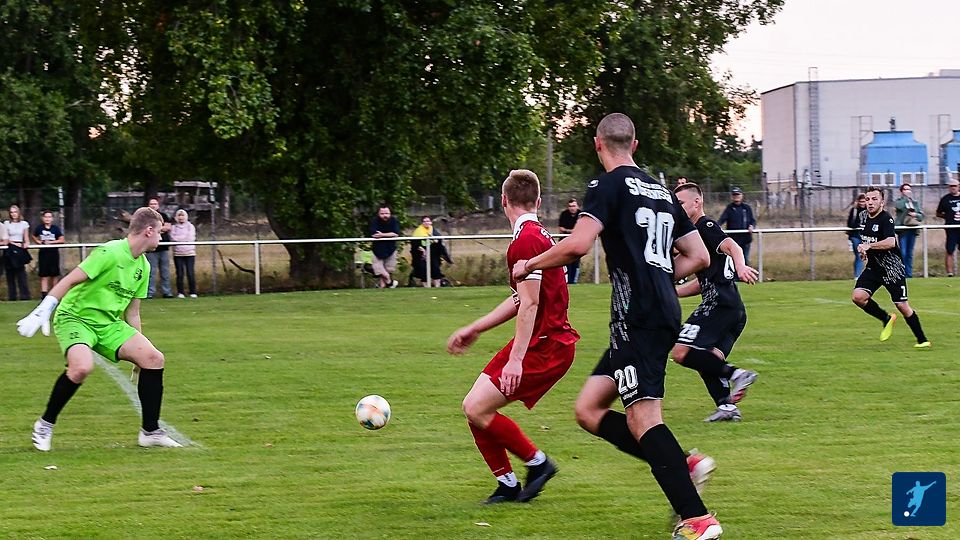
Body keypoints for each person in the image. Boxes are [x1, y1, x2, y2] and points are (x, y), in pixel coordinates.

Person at [512, 113, 722, 539]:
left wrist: (529, 263)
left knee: (643, 417)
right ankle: (684, 465)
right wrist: (659, 277)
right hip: (660, 311)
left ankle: (698, 519)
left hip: (636, 316)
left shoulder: (607, 185)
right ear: (635, 144)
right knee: (589, 410)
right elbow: (699, 256)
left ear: (598, 144)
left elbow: (577, 245)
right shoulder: (661, 191)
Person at [448, 169, 579, 504]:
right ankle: (507, 484)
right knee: (473, 406)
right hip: (541, 340)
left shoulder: (526, 240)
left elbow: (531, 303)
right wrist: (476, 327)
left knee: (477, 408)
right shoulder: (535, 235)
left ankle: (538, 464)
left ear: (503, 200)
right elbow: (522, 299)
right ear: (538, 201)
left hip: (547, 345)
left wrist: (516, 360)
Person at [17, 207, 183, 451]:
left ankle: (150, 432)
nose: (161, 237)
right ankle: (45, 424)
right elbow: (69, 280)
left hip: (108, 324)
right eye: (160, 232)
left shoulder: (144, 267)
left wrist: (140, 354)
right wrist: (44, 309)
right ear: (149, 231)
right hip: (76, 318)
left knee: (154, 358)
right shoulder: (110, 252)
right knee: (81, 368)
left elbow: (133, 312)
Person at [672, 183, 759, 423]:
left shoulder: (704, 226)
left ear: (697, 202)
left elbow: (732, 246)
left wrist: (741, 266)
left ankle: (738, 374)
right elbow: (703, 283)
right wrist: (673, 293)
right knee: (708, 360)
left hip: (718, 304)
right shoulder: (693, 235)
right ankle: (727, 407)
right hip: (733, 308)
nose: (677, 209)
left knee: (681, 351)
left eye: (680, 204)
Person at [852, 186, 930, 348]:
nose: (870, 202)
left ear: (882, 202)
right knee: (858, 297)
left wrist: (869, 246)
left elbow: (890, 242)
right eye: (868, 199)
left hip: (892, 269)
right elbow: (867, 239)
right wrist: (863, 250)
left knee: (902, 306)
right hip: (874, 268)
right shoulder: (863, 216)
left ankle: (922, 340)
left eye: (874, 199)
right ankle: (886, 318)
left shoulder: (886, 219)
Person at [410, 216, 453, 287]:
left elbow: (439, 242)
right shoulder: (418, 232)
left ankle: (437, 286)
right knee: (423, 271)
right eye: (424, 221)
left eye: (428, 221)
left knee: (436, 270)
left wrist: (434, 239)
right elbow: (414, 244)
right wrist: (422, 250)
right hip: (421, 255)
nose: (426, 223)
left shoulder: (434, 231)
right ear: (422, 223)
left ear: (431, 222)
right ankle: (426, 287)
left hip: (433, 254)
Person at [717, 187, 756, 265]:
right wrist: (716, 227)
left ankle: (745, 272)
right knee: (734, 260)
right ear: (732, 197)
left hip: (745, 239)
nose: (736, 197)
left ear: (741, 195)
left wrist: (752, 226)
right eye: (734, 195)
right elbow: (722, 219)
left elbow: (752, 220)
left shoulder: (746, 208)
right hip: (734, 239)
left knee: (745, 259)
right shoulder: (729, 208)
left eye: (738, 194)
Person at [32, 210, 65, 298]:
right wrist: (38, 242)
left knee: (54, 275)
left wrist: (51, 242)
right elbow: (34, 236)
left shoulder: (55, 228)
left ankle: (54, 294)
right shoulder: (39, 228)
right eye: (46, 217)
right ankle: (44, 295)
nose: (47, 219)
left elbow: (62, 240)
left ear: (52, 218)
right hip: (43, 253)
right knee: (44, 275)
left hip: (53, 253)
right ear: (42, 218)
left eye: (49, 217)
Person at [894, 183, 923, 278]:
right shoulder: (899, 201)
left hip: (912, 230)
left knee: (910, 253)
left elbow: (921, 216)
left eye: (909, 189)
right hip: (903, 230)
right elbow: (899, 207)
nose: (908, 191)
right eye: (905, 189)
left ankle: (909, 274)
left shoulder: (915, 202)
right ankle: (901, 273)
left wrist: (916, 215)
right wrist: (906, 199)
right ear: (901, 191)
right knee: (903, 252)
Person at [145, 197, 173, 298]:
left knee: (165, 272)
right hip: (151, 249)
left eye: (155, 204)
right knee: (151, 272)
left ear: (158, 205)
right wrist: (161, 229)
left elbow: (168, 227)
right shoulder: (146, 218)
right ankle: (150, 293)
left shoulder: (164, 215)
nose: (153, 206)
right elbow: (146, 229)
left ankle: (167, 292)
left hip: (163, 248)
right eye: (151, 204)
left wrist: (155, 230)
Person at [4, 204, 32, 301]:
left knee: (21, 273)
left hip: (20, 250)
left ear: (18, 213)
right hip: (10, 248)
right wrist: (14, 243)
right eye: (11, 212)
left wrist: (26, 244)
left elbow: (26, 237)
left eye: (15, 212)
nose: (13, 214)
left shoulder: (24, 224)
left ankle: (25, 296)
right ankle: (12, 296)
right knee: (10, 274)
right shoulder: (6, 223)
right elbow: (6, 238)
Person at [369, 205, 400, 288]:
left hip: (390, 249)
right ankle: (390, 282)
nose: (384, 215)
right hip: (377, 249)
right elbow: (374, 234)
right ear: (378, 214)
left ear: (390, 213)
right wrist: (388, 234)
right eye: (382, 213)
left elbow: (395, 233)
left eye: (386, 213)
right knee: (379, 269)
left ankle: (383, 287)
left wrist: (382, 235)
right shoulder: (375, 221)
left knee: (388, 269)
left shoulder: (394, 220)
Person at [169, 209, 198, 298]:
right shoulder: (174, 227)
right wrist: (182, 239)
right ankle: (180, 292)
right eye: (179, 215)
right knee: (180, 273)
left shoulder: (190, 227)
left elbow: (190, 238)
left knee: (190, 273)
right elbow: (173, 238)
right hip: (178, 254)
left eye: (182, 215)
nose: (181, 217)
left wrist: (181, 239)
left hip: (190, 253)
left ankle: (193, 292)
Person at [935, 179, 960, 277]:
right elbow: (938, 213)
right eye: (951, 186)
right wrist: (948, 217)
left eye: (955, 186)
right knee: (950, 250)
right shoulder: (945, 199)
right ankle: (950, 273)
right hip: (951, 229)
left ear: (958, 186)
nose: (953, 188)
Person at [557, 198, 582, 284]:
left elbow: (580, 229)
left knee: (575, 262)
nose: (572, 208)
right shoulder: (564, 214)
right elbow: (561, 229)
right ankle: (566, 281)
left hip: (577, 242)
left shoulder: (581, 215)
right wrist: (571, 231)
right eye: (570, 206)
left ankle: (574, 281)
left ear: (577, 206)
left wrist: (567, 230)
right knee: (566, 262)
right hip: (565, 242)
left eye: (574, 206)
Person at [846, 194, 868, 278]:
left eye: (864, 201)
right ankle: (857, 276)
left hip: (866, 236)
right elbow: (850, 224)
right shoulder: (854, 210)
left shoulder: (869, 210)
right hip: (855, 236)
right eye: (860, 201)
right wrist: (858, 225)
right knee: (859, 254)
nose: (862, 203)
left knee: (864, 256)